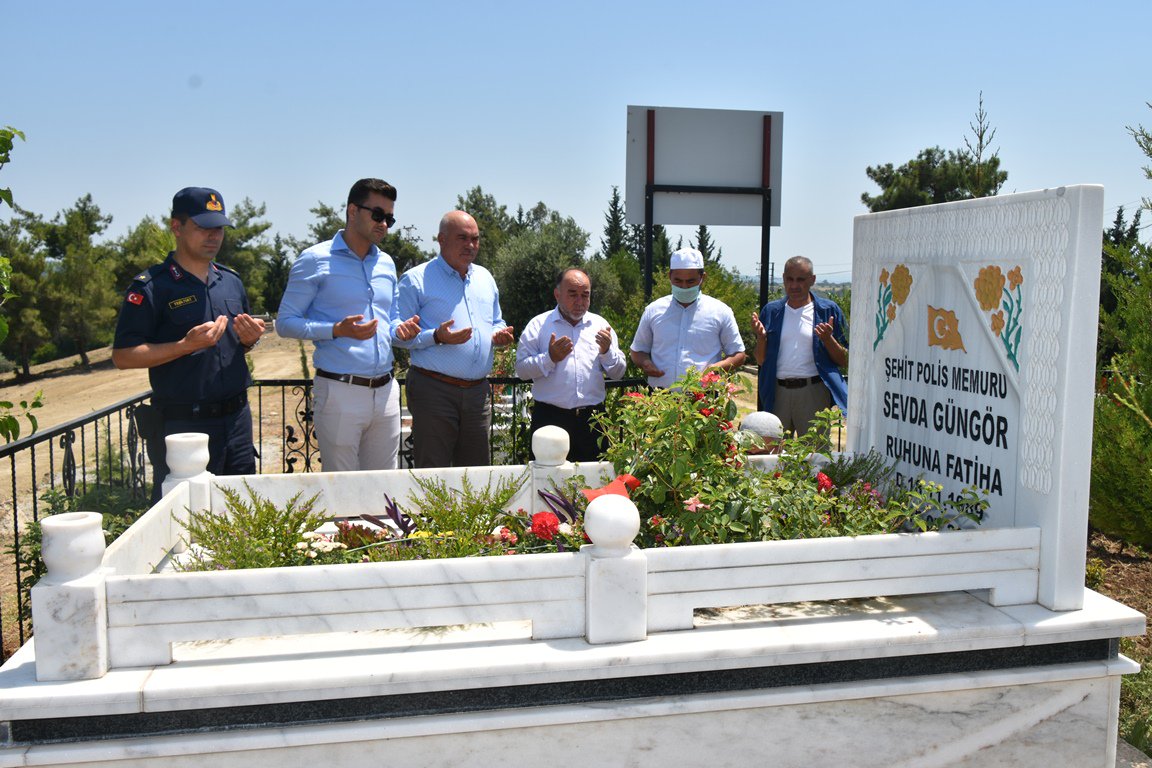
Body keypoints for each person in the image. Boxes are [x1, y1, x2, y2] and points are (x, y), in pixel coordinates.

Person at [113, 187, 265, 501]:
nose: (213, 236)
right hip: (185, 426)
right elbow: (123, 356)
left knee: (242, 512)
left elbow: (236, 345)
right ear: (177, 227)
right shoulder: (153, 287)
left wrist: (249, 341)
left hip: (237, 420)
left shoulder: (231, 281)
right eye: (203, 227)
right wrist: (183, 345)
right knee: (185, 519)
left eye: (219, 228)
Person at [276, 178, 418, 471]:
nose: (384, 224)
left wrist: (400, 330)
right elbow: (285, 323)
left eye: (389, 218)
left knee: (383, 488)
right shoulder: (314, 259)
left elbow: (389, 321)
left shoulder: (386, 264)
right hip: (340, 390)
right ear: (352, 211)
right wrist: (335, 330)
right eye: (377, 215)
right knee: (341, 490)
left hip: (387, 389)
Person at [393, 210, 514, 468]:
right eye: (462, 238)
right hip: (434, 388)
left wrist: (498, 334)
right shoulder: (415, 279)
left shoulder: (485, 278)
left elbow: (496, 321)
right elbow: (399, 337)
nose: (470, 245)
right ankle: (429, 512)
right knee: (433, 470)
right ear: (441, 239)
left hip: (477, 392)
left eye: (475, 239)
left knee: (476, 472)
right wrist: (436, 336)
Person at [515, 268, 626, 461]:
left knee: (594, 483)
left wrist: (607, 352)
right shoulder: (539, 325)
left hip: (593, 421)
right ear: (557, 294)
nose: (580, 301)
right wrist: (549, 357)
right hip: (550, 418)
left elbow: (619, 373)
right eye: (572, 294)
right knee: (548, 484)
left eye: (585, 295)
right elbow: (522, 370)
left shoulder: (601, 326)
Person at [752, 255, 848, 436]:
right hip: (777, 393)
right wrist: (761, 338)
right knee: (774, 453)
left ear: (812, 280)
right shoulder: (771, 311)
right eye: (790, 279)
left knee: (814, 456)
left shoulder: (828, 311)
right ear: (783, 278)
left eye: (801, 279)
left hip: (814, 393)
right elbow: (760, 359)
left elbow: (844, 360)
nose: (794, 285)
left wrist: (828, 339)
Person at [630, 247, 746, 388]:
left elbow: (738, 354)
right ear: (669, 277)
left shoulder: (720, 311)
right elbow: (638, 350)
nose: (684, 287)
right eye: (678, 281)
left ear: (702, 278)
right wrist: (645, 363)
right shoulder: (653, 310)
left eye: (690, 282)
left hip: (703, 399)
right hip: (660, 398)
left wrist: (716, 369)